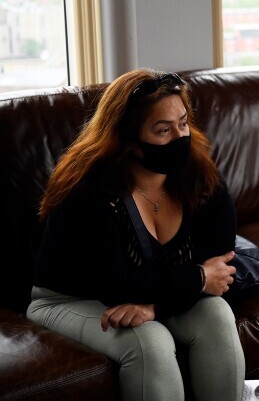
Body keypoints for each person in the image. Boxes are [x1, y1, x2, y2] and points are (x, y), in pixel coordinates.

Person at [28, 69, 245, 401]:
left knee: (216, 315)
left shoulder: (199, 175)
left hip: (149, 292)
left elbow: (220, 261)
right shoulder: (90, 189)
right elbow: (118, 284)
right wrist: (197, 278)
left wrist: (156, 306)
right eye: (163, 130)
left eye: (183, 123)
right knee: (150, 342)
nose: (180, 137)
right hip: (68, 298)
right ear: (128, 141)